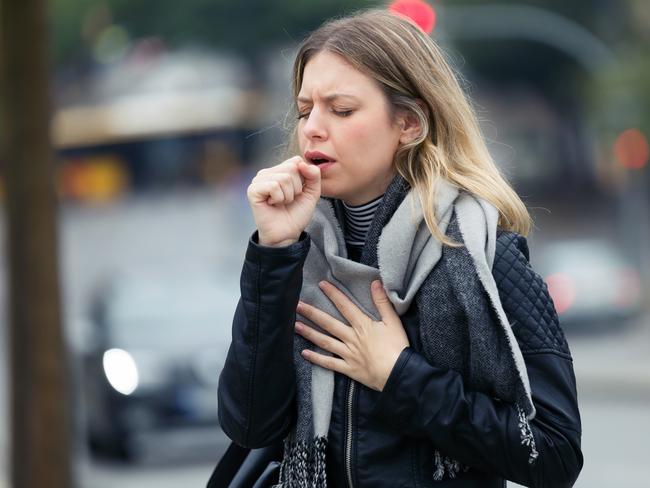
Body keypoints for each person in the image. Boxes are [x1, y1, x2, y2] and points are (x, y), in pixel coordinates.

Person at [217, 8, 583, 488]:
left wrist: (399, 375)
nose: (312, 128)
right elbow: (249, 425)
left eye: (341, 110)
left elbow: (553, 454)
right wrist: (274, 250)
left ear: (409, 123)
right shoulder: (295, 257)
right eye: (306, 110)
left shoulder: (487, 257)